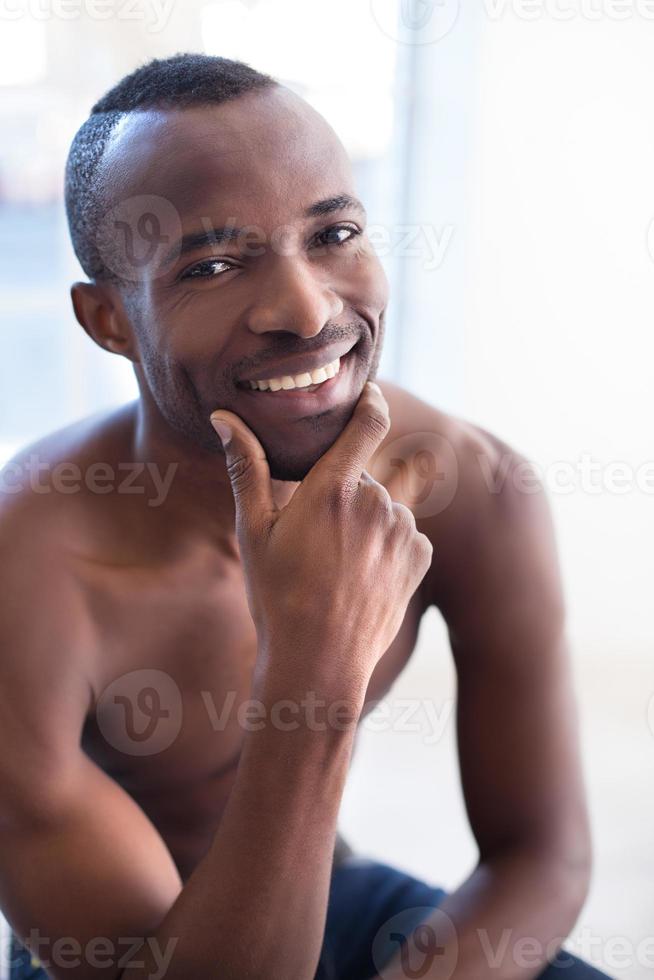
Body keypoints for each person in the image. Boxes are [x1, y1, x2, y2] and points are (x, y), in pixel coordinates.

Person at [0, 54, 612, 980]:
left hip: (333, 890)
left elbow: (542, 854)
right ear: (109, 322)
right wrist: (313, 672)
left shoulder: (473, 487)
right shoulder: (26, 578)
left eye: (333, 234)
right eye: (211, 264)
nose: (305, 307)